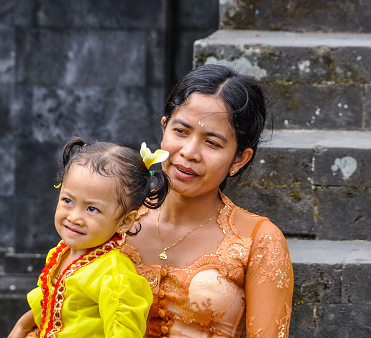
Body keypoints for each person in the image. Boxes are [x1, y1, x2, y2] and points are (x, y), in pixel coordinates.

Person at [120, 64, 294, 337]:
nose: (189, 152)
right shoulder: (115, 213)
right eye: (181, 131)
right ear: (164, 128)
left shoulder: (259, 241)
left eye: (212, 143)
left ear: (239, 158)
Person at [8, 137, 170, 338]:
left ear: (125, 221)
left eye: (92, 209)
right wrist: (22, 327)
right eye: (68, 200)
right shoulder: (62, 252)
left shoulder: (114, 276)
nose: (74, 217)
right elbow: (50, 299)